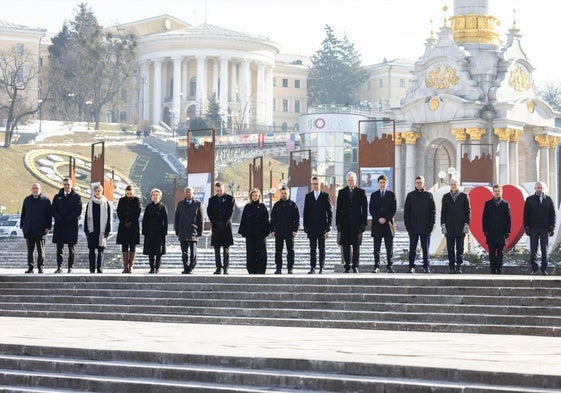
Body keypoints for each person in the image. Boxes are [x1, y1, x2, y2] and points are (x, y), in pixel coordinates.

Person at [336, 171, 367, 273]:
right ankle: (347, 266)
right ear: (346, 181)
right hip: (345, 223)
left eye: (352, 180)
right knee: (345, 246)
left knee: (356, 246)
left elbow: (365, 209)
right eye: (349, 180)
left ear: (355, 181)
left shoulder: (361, 192)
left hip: (357, 223)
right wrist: (338, 223)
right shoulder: (341, 192)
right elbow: (338, 209)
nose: (350, 182)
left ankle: (355, 266)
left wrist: (364, 223)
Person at [404, 175, 436, 273]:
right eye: (417, 182)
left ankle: (426, 266)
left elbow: (433, 211)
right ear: (415, 183)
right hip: (413, 227)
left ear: (423, 183)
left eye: (420, 182)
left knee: (425, 249)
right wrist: (408, 226)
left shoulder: (429, 195)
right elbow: (406, 212)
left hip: (426, 227)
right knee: (412, 248)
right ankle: (411, 267)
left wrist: (431, 225)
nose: (419, 184)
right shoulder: (410, 195)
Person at [523, 181, 555, 275]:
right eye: (537, 187)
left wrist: (552, 227)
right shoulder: (529, 200)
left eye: (541, 188)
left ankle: (544, 269)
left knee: (544, 250)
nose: (539, 189)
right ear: (535, 188)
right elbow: (526, 215)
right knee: (533, 250)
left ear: (543, 189)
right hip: (533, 228)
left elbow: (552, 215)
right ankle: (534, 268)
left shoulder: (548, 200)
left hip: (545, 228)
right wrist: (526, 227)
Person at [51, 178, 82, 274]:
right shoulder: (57, 197)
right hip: (59, 225)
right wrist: (59, 218)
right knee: (59, 248)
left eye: (68, 184)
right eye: (65, 184)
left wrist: (68, 219)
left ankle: (70, 267)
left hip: (71, 226)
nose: (66, 186)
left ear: (71, 185)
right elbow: (53, 210)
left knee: (71, 248)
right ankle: (59, 267)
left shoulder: (77, 197)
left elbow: (78, 211)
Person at [440, 178, 471, 274]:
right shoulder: (445, 197)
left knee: (459, 248)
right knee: (450, 248)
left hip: (460, 226)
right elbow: (443, 212)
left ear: (458, 185)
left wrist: (466, 224)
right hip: (449, 227)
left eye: (455, 184)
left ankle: (459, 266)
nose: (453, 186)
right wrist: (443, 224)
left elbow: (468, 212)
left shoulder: (464, 196)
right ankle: (451, 267)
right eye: (452, 184)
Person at [20, 183, 52, 274]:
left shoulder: (46, 201)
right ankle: (30, 268)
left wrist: (48, 227)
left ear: (40, 189)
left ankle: (40, 268)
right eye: (33, 188)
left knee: (40, 251)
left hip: (41, 230)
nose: (35, 190)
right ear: (31, 189)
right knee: (30, 251)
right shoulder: (27, 200)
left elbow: (49, 216)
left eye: (37, 188)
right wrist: (22, 226)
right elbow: (23, 214)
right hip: (29, 229)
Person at [303, 176, 332, 274]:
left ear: (320, 184)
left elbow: (329, 212)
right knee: (312, 248)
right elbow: (305, 212)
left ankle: (321, 268)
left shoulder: (325, 196)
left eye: (317, 183)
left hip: (322, 227)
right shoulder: (308, 196)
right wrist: (305, 226)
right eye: (313, 183)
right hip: (311, 227)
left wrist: (329, 225)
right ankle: (312, 268)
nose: (315, 185)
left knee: (321, 248)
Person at [369, 174, 396, 273]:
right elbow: (371, 209)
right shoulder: (374, 195)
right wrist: (378, 218)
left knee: (389, 248)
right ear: (378, 183)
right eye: (380, 182)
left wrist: (386, 218)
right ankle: (376, 266)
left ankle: (389, 266)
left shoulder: (391, 194)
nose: (382, 184)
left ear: (387, 183)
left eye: (384, 182)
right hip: (377, 225)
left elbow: (393, 209)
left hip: (388, 225)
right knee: (376, 248)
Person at [238, 188, 270, 274]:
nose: (255, 197)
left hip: (261, 234)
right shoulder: (247, 207)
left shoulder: (262, 206)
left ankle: (261, 270)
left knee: (261, 253)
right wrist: (243, 231)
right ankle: (251, 270)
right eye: (253, 195)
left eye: (256, 195)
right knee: (250, 252)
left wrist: (266, 231)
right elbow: (243, 220)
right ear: (250, 196)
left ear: (259, 196)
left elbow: (266, 220)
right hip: (250, 234)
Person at [207, 182, 235, 274]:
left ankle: (226, 268)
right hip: (216, 227)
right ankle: (218, 268)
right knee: (216, 249)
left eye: (220, 190)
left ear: (224, 189)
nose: (219, 192)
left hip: (226, 227)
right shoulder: (212, 200)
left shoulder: (230, 199)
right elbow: (209, 212)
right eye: (217, 190)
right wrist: (214, 222)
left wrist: (224, 222)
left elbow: (231, 212)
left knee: (226, 250)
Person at [270, 186, 300, 274]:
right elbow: (273, 219)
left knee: (290, 251)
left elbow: (297, 218)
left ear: (288, 194)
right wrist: (272, 229)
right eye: (282, 193)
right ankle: (278, 268)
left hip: (290, 232)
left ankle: (290, 268)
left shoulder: (293, 205)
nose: (284, 195)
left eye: (285, 193)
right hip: (279, 231)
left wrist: (295, 230)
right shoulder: (276, 205)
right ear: (280, 194)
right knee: (278, 251)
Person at [482, 184, 511, 274]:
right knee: (491, 252)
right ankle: (492, 269)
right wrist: (485, 230)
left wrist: (507, 231)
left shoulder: (505, 204)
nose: (497, 192)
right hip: (491, 233)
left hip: (502, 233)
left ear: (501, 192)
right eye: (495, 191)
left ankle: (499, 269)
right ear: (493, 192)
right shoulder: (488, 203)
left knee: (500, 253)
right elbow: (484, 218)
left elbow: (509, 219)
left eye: (499, 191)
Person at [84, 184, 112, 274]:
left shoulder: (106, 203)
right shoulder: (90, 203)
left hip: (102, 230)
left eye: (99, 191)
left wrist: (107, 230)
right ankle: (92, 269)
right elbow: (86, 218)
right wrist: (86, 230)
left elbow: (109, 218)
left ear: (101, 191)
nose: (97, 192)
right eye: (95, 191)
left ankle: (100, 269)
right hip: (92, 230)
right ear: (93, 192)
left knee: (101, 250)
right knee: (91, 250)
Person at [175, 186, 203, 274]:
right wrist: (177, 230)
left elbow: (200, 219)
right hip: (183, 231)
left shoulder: (197, 204)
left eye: (190, 192)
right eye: (186, 192)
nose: (188, 193)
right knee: (184, 252)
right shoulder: (180, 204)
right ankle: (185, 267)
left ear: (193, 193)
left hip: (193, 231)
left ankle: (191, 266)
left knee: (193, 252)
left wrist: (200, 232)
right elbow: (177, 218)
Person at [116, 185, 141, 273]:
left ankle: (131, 266)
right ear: (125, 192)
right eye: (127, 193)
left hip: (133, 226)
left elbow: (137, 212)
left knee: (133, 245)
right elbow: (119, 212)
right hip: (123, 226)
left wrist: (131, 222)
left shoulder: (136, 200)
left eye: (130, 193)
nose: (129, 195)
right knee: (124, 246)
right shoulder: (121, 200)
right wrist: (124, 222)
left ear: (133, 192)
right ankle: (125, 266)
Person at [142, 188, 168, 274]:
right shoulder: (148, 207)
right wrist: (144, 230)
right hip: (150, 232)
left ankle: (157, 267)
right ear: (151, 197)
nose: (155, 196)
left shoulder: (163, 207)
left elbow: (166, 220)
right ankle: (151, 268)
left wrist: (165, 231)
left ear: (160, 197)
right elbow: (145, 220)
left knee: (159, 252)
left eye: (157, 195)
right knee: (151, 251)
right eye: (153, 195)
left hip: (159, 233)